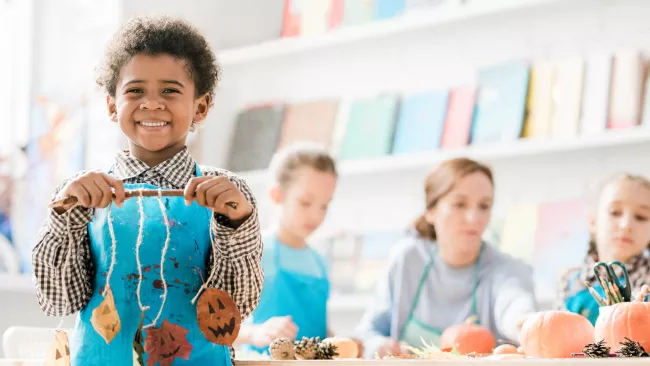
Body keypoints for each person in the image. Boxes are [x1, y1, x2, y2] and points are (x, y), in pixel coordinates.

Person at [31, 16, 263, 366]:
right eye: (135, 90)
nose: (152, 104)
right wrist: (65, 219)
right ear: (112, 105)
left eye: (170, 90)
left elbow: (238, 306)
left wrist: (237, 223)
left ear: (201, 106)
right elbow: (58, 299)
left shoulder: (230, 196)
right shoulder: (80, 193)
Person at [355, 157, 538, 358]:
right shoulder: (408, 260)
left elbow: (515, 304)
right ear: (431, 211)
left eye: (484, 206)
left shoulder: (505, 269)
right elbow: (367, 333)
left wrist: (525, 323)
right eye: (460, 204)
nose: (474, 219)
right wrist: (380, 346)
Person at [235, 143, 362, 356]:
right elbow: (213, 326)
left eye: (324, 206)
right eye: (305, 203)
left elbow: (318, 330)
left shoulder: (319, 263)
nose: (316, 215)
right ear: (276, 195)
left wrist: (340, 343)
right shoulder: (254, 251)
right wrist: (255, 332)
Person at [557, 173, 650, 324]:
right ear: (593, 222)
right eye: (615, 212)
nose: (626, 225)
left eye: (641, 217)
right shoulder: (569, 280)